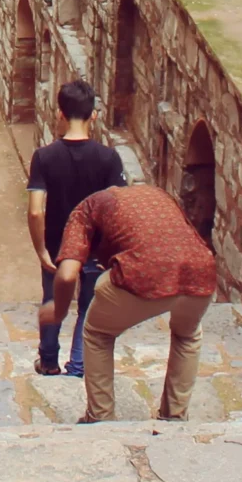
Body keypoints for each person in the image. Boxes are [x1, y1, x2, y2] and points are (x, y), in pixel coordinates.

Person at [42, 180, 217, 422]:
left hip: (142, 274)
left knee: (97, 334)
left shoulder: (85, 209)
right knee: (187, 335)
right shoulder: (158, 193)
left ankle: (100, 416)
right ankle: (174, 417)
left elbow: (67, 274)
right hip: (201, 271)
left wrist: (57, 311)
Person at [29, 79, 125, 377]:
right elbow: (117, 209)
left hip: (57, 243)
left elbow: (35, 210)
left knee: (52, 299)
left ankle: (48, 361)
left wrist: (41, 249)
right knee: (88, 306)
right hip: (95, 246)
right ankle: (79, 365)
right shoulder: (108, 158)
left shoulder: (44, 157)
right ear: (93, 114)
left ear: (60, 113)